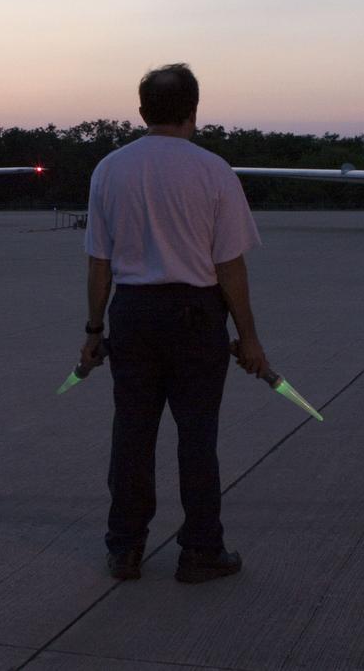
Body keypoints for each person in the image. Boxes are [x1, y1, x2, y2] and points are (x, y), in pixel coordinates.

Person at [81, 63, 270, 584]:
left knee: (133, 435)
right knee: (197, 438)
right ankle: (202, 550)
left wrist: (94, 332)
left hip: (134, 315)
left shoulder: (110, 170)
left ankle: (125, 548)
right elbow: (230, 265)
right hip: (195, 317)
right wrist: (249, 338)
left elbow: (99, 261)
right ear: (195, 110)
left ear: (142, 112)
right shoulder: (214, 171)